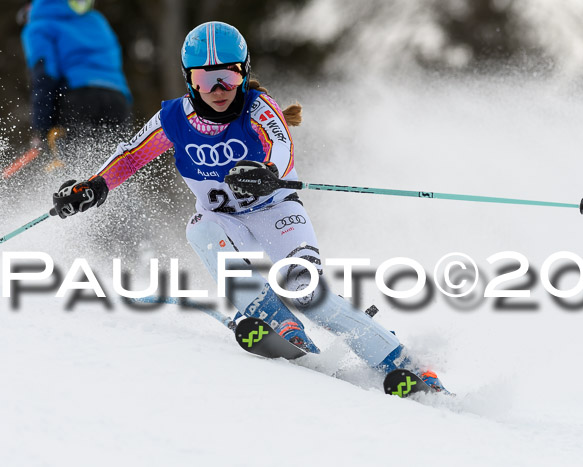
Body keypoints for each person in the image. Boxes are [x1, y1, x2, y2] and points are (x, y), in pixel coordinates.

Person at [50, 21, 450, 393]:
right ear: (189, 80)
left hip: (277, 214)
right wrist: (93, 186)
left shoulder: (259, 108)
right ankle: (280, 323)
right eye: (205, 78)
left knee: (306, 291)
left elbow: (282, 147)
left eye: (230, 75)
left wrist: (267, 170)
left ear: (244, 73)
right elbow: (132, 155)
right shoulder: (174, 117)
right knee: (200, 228)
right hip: (226, 221)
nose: (219, 87)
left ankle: (407, 365)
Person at [20, 0, 132, 160]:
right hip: (117, 100)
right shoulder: (96, 20)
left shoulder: (39, 25)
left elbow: (44, 77)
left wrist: (41, 129)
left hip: (78, 100)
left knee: (76, 168)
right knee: (116, 166)